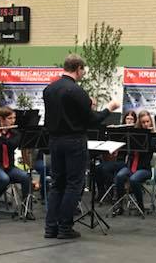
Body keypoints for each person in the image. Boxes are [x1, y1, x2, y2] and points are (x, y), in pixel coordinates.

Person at [42, 54, 120, 239]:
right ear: (78, 69)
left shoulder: (49, 89)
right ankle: (65, 227)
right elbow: (93, 120)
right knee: (73, 185)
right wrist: (109, 108)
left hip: (55, 141)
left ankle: (50, 227)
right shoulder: (77, 91)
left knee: (57, 184)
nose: (83, 73)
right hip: (74, 141)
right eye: (83, 70)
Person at [112, 110, 154, 215]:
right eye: (143, 122)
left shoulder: (152, 136)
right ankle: (120, 205)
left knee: (134, 179)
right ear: (140, 123)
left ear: (151, 122)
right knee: (120, 176)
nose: (146, 124)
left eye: (147, 121)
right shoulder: (133, 134)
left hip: (144, 169)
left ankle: (140, 206)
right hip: (130, 167)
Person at [94, 110, 136, 198]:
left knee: (105, 169)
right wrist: (111, 131)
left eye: (131, 119)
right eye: (127, 118)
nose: (129, 121)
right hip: (116, 160)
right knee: (97, 168)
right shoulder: (119, 131)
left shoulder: (136, 132)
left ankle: (113, 190)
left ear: (135, 120)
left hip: (126, 161)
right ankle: (102, 192)